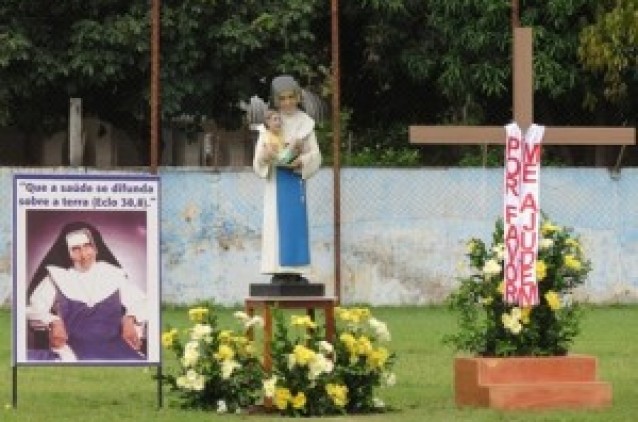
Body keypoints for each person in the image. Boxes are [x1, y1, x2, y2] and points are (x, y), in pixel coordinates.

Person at [26, 221, 147, 361]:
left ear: (95, 247)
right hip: (70, 348)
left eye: (87, 246)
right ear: (68, 252)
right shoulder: (57, 277)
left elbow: (142, 302)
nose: (83, 255)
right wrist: (53, 322)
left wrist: (130, 319)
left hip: (115, 345)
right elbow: (33, 309)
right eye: (76, 249)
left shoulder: (114, 274)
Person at [253, 75, 322, 284]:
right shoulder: (270, 122)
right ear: (276, 100)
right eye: (282, 99)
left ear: (298, 97)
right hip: (276, 183)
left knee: (295, 225)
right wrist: (265, 157)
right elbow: (258, 158)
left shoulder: (305, 124)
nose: (288, 103)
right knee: (275, 225)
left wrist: (302, 161)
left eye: (291, 97)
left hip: (295, 179)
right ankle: (278, 271)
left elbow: (316, 155)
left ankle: (296, 271)